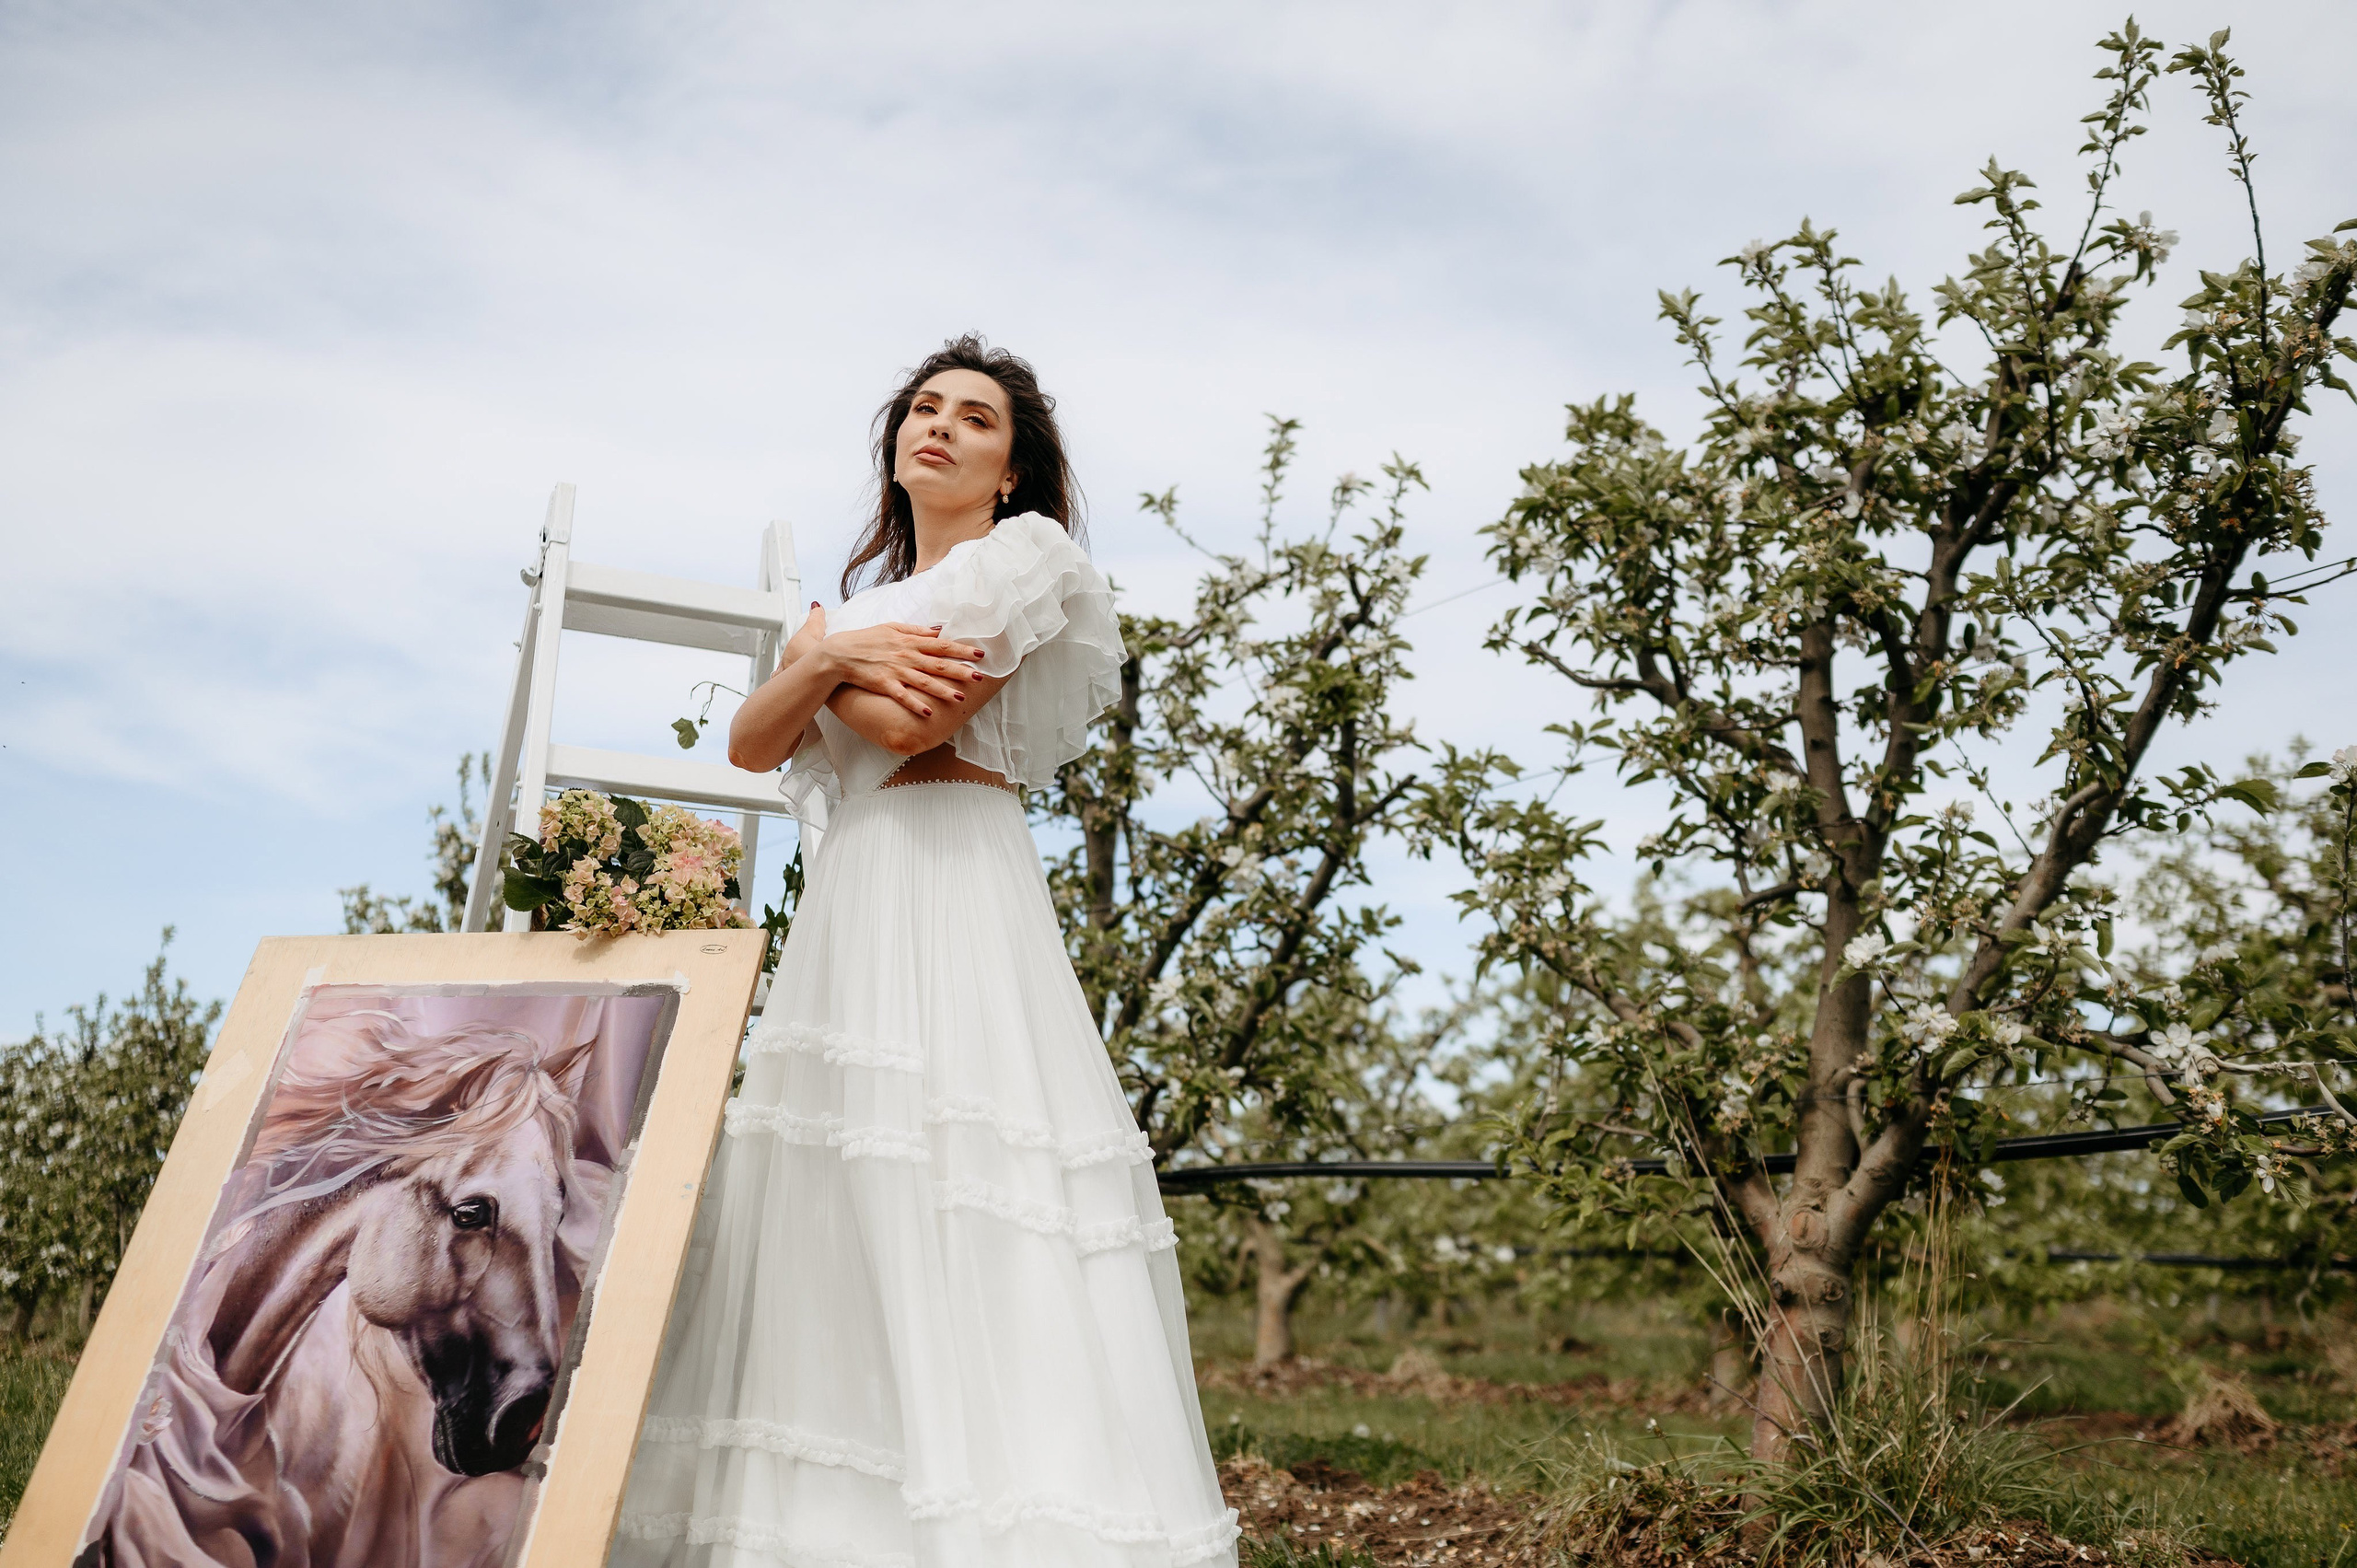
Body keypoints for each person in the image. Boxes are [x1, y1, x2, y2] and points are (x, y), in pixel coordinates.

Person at [610, 336, 1240, 1568]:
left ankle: (1003, 1501)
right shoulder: (851, 617)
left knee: (966, 1159)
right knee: (839, 1181)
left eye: (976, 418)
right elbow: (749, 746)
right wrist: (832, 654)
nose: (940, 426)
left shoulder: (1024, 559)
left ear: (1012, 471)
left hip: (955, 876)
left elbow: (917, 724)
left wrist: (817, 665)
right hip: (858, 894)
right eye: (924, 408)